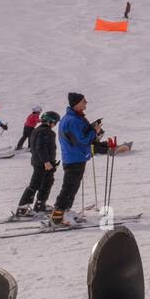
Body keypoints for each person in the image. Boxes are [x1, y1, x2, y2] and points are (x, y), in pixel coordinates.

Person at [50, 93, 103, 227]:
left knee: (72, 186)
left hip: (75, 156)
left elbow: (80, 135)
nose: (86, 103)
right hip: (74, 157)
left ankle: (65, 211)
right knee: (69, 187)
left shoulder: (74, 118)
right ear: (77, 103)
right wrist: (95, 131)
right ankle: (57, 217)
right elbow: (83, 139)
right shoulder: (72, 120)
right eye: (84, 101)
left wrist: (91, 129)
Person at [16, 110, 60, 214]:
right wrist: (46, 161)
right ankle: (23, 207)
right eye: (55, 122)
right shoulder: (47, 132)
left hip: (40, 162)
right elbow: (40, 147)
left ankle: (40, 204)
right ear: (50, 121)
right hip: (43, 163)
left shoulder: (36, 130)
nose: (55, 125)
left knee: (46, 183)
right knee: (36, 184)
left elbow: (34, 148)